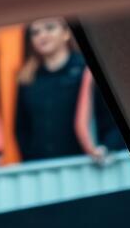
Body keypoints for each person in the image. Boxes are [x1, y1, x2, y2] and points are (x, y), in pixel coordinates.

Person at [14, 18, 91, 161]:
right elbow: (21, 127)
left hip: (87, 161)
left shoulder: (85, 70)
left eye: (49, 28)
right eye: (35, 32)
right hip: (43, 167)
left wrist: (104, 147)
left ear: (66, 33)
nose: (42, 35)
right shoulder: (27, 78)